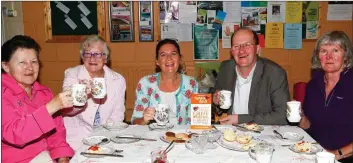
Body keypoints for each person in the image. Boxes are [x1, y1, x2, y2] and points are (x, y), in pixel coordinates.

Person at [1, 35, 74, 163]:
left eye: (34, 62)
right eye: (22, 62)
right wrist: (50, 107)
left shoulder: (44, 93)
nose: (30, 67)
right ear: (6, 66)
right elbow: (16, 134)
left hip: (45, 157)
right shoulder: (3, 95)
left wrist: (63, 158)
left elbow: (57, 134)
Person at [214, 27, 290, 125]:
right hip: (230, 133)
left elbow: (283, 116)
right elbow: (217, 103)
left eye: (247, 45)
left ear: (257, 49)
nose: (241, 51)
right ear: (231, 51)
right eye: (236, 46)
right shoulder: (226, 68)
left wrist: (242, 119)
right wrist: (215, 100)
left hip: (263, 134)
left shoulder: (274, 73)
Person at [61, 35, 126, 150]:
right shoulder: (72, 74)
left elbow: (117, 114)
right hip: (76, 140)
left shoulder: (118, 80)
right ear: (82, 57)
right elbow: (68, 110)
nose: (92, 59)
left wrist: (105, 137)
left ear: (105, 58)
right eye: (87, 54)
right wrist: (84, 94)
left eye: (98, 54)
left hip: (106, 138)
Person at [300, 31, 353, 162]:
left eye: (335, 50)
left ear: (345, 55)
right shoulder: (313, 84)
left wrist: (337, 154)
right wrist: (299, 115)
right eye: (323, 51)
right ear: (318, 56)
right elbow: (308, 126)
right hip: (315, 153)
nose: (329, 56)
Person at [131, 39, 198, 125]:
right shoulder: (146, 83)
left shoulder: (191, 83)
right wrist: (144, 119)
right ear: (157, 62)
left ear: (180, 58)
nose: (169, 58)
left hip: (182, 136)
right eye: (163, 55)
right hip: (152, 136)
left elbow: (195, 120)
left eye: (173, 54)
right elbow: (135, 121)